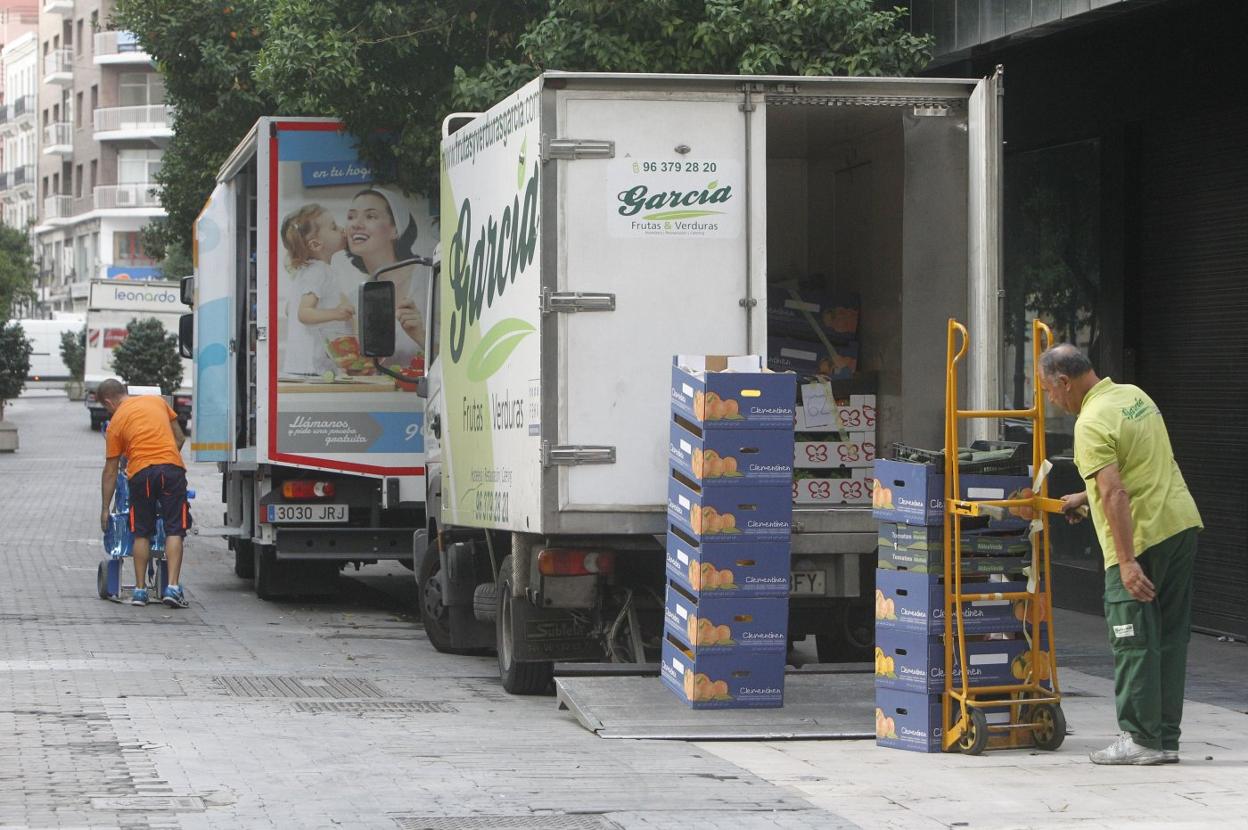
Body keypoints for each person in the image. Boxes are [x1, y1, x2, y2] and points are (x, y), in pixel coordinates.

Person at [1039, 344, 1202, 766]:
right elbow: (1138, 469)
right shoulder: (1134, 396)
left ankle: (1139, 738)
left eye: (1048, 391)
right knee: (1168, 638)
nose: (1051, 400)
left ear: (1064, 381)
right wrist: (1086, 496)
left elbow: (1116, 491)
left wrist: (1127, 561)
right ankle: (1164, 739)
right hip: (1179, 524)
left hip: (1141, 539)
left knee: (1132, 638)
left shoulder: (1090, 423)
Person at [97, 379, 192, 608]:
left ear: (109, 401)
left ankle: (140, 591)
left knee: (141, 532)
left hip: (140, 474)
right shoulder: (157, 402)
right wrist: (164, 459)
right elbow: (179, 438)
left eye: (106, 407)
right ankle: (172, 588)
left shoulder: (116, 423)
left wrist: (105, 508)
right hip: (171, 470)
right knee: (174, 529)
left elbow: (111, 471)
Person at [345, 188, 427, 366]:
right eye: (351, 217)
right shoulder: (353, 300)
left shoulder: (428, 281)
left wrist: (421, 336)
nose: (356, 224)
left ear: (396, 230)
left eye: (370, 216)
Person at [279, 203, 354, 376]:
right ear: (316, 245)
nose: (342, 229)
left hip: (300, 363)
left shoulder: (306, 272)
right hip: (313, 365)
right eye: (334, 227)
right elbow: (304, 313)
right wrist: (336, 313)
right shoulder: (319, 271)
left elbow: (289, 309)